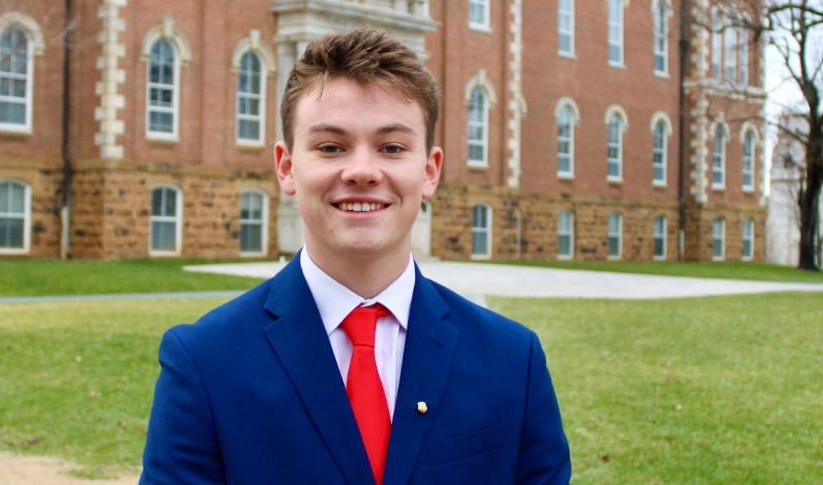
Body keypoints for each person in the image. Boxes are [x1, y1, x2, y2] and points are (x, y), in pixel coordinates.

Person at [139, 28, 570, 484]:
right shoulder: (206, 363)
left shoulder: (511, 361)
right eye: (331, 147)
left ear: (429, 171)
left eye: (391, 148)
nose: (362, 171)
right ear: (287, 167)